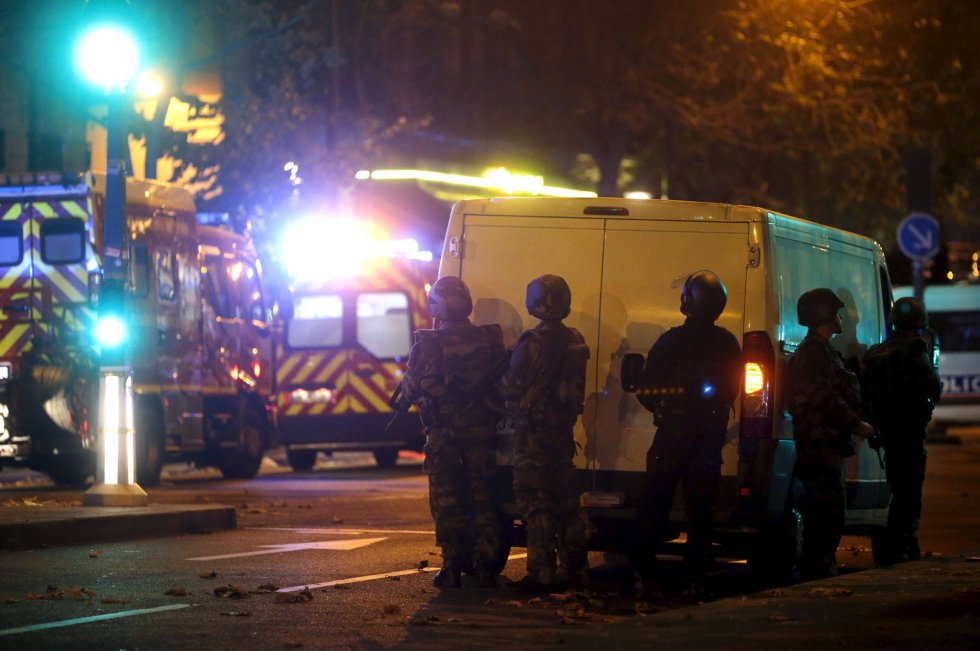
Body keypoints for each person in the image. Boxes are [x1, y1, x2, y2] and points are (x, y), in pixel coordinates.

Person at [628, 271, 743, 599]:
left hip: (673, 433)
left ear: (688, 302)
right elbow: (731, 390)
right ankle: (697, 577)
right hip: (708, 435)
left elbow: (647, 387)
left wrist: (661, 407)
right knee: (700, 510)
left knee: (654, 503)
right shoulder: (727, 343)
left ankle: (644, 575)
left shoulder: (671, 340)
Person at [399, 276, 505, 588]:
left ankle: (452, 565)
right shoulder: (489, 341)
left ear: (437, 307)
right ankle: (486, 564)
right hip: (481, 434)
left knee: (447, 500)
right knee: (483, 497)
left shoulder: (428, 344)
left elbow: (410, 388)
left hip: (443, 437)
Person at [497, 274, 591, 593]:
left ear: (534, 303)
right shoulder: (575, 339)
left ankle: (541, 573)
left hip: (532, 435)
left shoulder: (530, 342)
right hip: (562, 433)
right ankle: (576, 567)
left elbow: (511, 386)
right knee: (566, 502)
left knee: (536, 503)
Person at [787, 288, 875, 579]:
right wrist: (857, 424)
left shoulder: (821, 349)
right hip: (819, 445)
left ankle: (819, 567)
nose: (840, 318)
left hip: (824, 443)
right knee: (827, 513)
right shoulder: (814, 351)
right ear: (823, 315)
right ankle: (817, 571)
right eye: (836, 313)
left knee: (827, 512)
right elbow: (822, 395)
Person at [862, 297, 942, 565]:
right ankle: (902, 547)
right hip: (909, 433)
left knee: (898, 489)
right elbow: (932, 388)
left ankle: (894, 547)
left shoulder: (876, 351)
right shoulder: (916, 350)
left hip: (886, 431)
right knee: (908, 495)